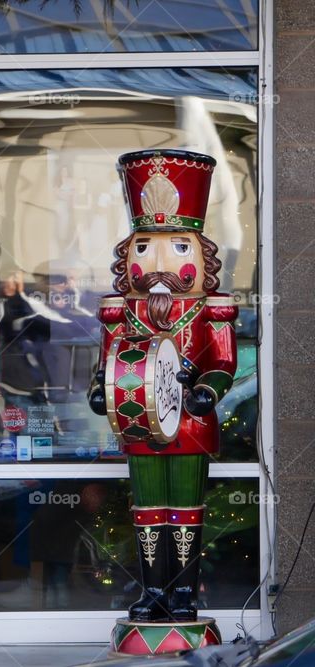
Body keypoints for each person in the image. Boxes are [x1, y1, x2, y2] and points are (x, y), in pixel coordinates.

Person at [88, 150, 237, 622]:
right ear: (128, 255)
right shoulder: (120, 311)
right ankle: (153, 591)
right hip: (138, 425)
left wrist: (207, 391)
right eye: (144, 246)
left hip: (190, 424)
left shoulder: (212, 311)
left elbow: (224, 362)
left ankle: (184, 594)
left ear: (201, 254)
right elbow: (108, 364)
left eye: (177, 247)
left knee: (186, 508)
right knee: (148, 508)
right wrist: (99, 389)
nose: (157, 262)